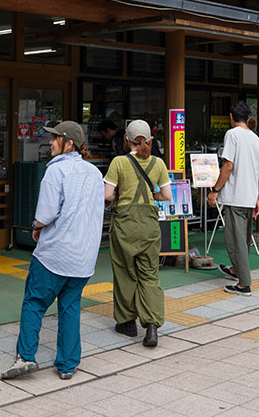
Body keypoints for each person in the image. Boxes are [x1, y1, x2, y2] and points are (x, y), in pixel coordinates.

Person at [1, 121, 104, 381]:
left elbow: (46, 213)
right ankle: (68, 364)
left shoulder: (55, 172)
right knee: (70, 307)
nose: (50, 142)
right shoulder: (94, 173)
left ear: (69, 143)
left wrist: (35, 226)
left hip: (56, 254)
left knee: (34, 303)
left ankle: (26, 357)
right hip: (84, 257)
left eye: (55, 138)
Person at [103, 119, 171, 347]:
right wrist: (153, 196)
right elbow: (167, 195)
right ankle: (151, 326)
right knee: (149, 274)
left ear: (126, 140)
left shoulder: (119, 162)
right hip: (149, 224)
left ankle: (127, 323)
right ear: (150, 141)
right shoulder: (159, 164)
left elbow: (108, 195)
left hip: (125, 224)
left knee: (124, 272)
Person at [208, 101, 259, 297]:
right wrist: (258, 198)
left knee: (236, 241)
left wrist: (215, 189)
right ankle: (235, 270)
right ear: (248, 118)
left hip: (235, 197)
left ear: (231, 117)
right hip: (250, 197)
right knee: (244, 239)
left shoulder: (232, 135)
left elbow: (228, 166)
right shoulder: (257, 139)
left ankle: (244, 284)